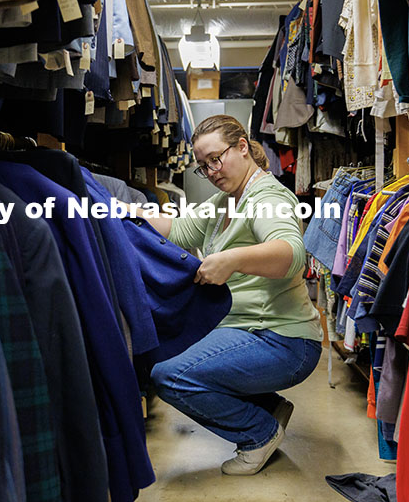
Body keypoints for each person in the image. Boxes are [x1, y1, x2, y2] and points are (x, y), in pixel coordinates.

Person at [138, 115, 323, 475]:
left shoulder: (267, 198)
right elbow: (179, 228)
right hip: (247, 331)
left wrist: (232, 259)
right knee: (167, 352)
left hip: (282, 340)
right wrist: (116, 210)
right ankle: (267, 407)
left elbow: (291, 252)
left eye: (216, 159)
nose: (211, 170)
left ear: (242, 147)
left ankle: (258, 432)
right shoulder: (227, 200)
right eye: (203, 166)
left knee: (169, 375)